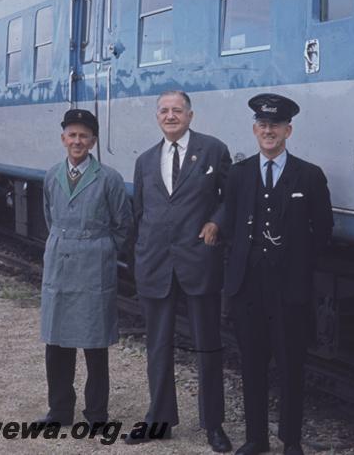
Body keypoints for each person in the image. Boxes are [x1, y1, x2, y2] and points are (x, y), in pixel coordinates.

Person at [223, 93, 333, 455]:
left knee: (290, 367)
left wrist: (297, 265)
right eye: (263, 125)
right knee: (252, 365)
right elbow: (231, 230)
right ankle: (256, 439)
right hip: (249, 287)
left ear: (289, 130)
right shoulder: (238, 175)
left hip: (290, 289)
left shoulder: (310, 176)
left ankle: (291, 441)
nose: (269, 131)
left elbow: (324, 232)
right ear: (255, 130)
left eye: (276, 126)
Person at [127, 90, 233, 451]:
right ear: (157, 117)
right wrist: (142, 252)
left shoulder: (213, 150)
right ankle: (159, 420)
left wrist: (216, 223)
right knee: (157, 346)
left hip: (198, 260)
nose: (170, 116)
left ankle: (213, 425)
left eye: (177, 111)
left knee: (208, 346)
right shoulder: (144, 161)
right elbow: (140, 213)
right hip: (155, 264)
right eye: (164, 111)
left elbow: (228, 198)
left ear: (190, 115)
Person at [38, 109, 133, 427]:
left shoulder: (110, 179)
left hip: (94, 268)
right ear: (63, 138)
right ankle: (59, 410)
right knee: (57, 343)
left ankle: (97, 414)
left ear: (93, 141)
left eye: (84, 136)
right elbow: (51, 218)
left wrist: (101, 250)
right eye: (72, 135)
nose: (77, 141)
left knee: (95, 345)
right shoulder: (52, 175)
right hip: (59, 267)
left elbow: (123, 225)